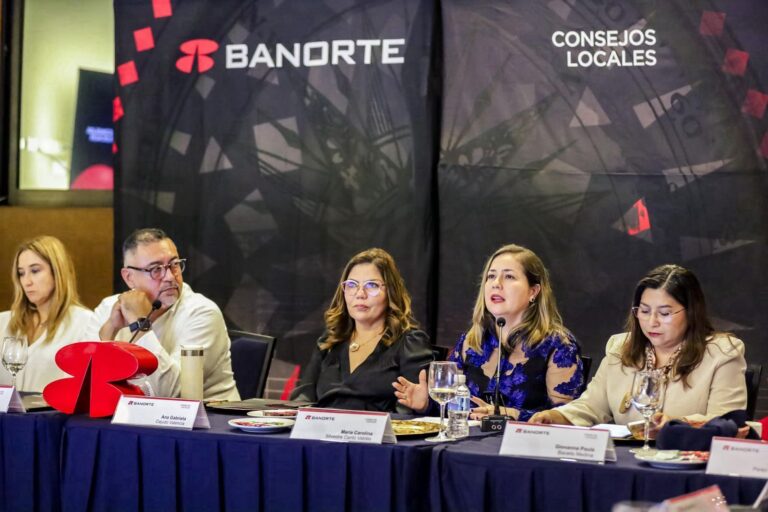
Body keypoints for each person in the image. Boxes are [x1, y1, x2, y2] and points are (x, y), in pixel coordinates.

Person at [530, 264, 747, 427]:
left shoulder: (722, 353)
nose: (652, 322)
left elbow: (726, 422)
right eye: (644, 311)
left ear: (691, 312)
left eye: (664, 313)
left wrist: (677, 426)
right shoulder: (620, 348)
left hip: (689, 461)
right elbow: (591, 405)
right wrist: (556, 416)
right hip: (626, 459)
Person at [394, 244, 584, 421]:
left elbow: (566, 418)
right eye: (491, 276)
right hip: (468, 442)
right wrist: (426, 404)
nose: (496, 283)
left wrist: (511, 415)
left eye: (509, 277)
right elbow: (452, 409)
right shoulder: (472, 341)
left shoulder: (558, 345)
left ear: (533, 291)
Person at [86, 228, 239, 401]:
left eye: (174, 265)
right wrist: (110, 330)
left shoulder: (202, 313)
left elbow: (173, 394)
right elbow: (85, 386)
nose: (170, 277)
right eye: (156, 269)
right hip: (131, 413)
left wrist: (140, 324)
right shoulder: (108, 308)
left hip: (207, 415)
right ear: (129, 277)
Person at [291, 248, 433, 411]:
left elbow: (410, 408)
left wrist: (422, 407)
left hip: (383, 427)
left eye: (371, 285)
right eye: (352, 285)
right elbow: (303, 397)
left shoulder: (410, 343)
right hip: (323, 426)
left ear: (391, 292)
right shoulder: (330, 340)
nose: (360, 294)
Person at [0, 236, 95, 392]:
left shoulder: (85, 323)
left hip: (55, 408)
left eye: (35, 271)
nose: (27, 281)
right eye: (21, 273)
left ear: (57, 271)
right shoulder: (3, 322)